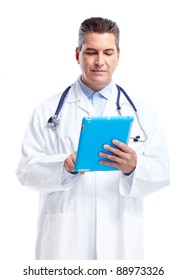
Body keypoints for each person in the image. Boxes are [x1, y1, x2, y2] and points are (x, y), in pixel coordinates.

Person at [16, 17, 170, 260]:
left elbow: (162, 172)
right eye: (91, 52)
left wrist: (134, 168)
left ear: (118, 55)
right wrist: (63, 167)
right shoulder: (47, 111)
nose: (100, 61)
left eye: (108, 52)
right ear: (77, 55)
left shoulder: (142, 113)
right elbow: (25, 172)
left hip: (120, 240)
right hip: (65, 243)